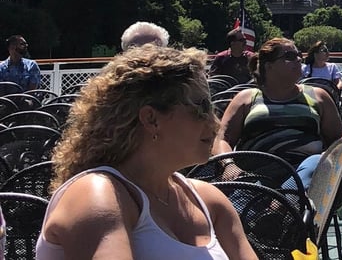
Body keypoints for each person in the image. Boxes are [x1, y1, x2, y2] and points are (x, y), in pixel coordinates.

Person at [36, 45, 257, 260]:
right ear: (151, 119)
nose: (215, 123)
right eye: (201, 108)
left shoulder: (210, 201)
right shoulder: (98, 193)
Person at [216, 38, 342, 188]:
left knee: (317, 162)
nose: (298, 59)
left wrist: (329, 161)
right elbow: (222, 138)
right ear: (268, 66)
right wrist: (228, 164)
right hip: (254, 174)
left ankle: (282, 204)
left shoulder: (319, 96)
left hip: (304, 174)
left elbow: (339, 140)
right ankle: (280, 206)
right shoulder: (246, 98)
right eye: (289, 56)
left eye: (299, 55)